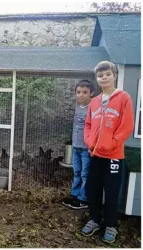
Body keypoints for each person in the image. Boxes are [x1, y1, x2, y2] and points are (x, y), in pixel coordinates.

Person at [81, 61, 134, 243]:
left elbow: (126, 126)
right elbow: (88, 125)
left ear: (114, 76)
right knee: (92, 189)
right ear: (97, 79)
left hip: (113, 157)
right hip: (94, 155)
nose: (104, 78)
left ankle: (111, 225)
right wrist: (89, 141)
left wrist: (112, 143)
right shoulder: (94, 102)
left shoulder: (123, 98)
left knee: (111, 192)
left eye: (107, 74)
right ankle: (95, 220)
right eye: (100, 75)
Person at [62, 80, 94, 209]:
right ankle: (74, 195)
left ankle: (83, 199)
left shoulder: (93, 108)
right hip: (76, 146)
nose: (81, 95)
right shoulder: (76, 106)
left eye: (85, 92)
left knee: (85, 174)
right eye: (78, 92)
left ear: (91, 93)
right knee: (76, 172)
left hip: (87, 148)